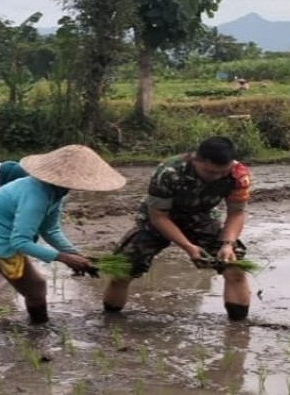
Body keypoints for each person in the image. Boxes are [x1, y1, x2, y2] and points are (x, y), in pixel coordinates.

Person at [0, 144, 126, 339]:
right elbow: (21, 242)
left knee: (35, 288)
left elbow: (50, 229)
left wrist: (77, 255)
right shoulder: (35, 194)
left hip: (1, 238)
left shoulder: (56, 192)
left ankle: (39, 332)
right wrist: (64, 258)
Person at [103, 136, 252, 321]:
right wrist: (188, 246)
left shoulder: (238, 174)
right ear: (196, 159)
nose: (216, 177)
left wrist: (227, 244)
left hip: (201, 217)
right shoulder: (169, 171)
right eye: (209, 171)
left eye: (222, 172)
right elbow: (158, 216)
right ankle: (110, 322)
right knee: (123, 269)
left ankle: (237, 331)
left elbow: (236, 213)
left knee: (235, 269)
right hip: (158, 218)